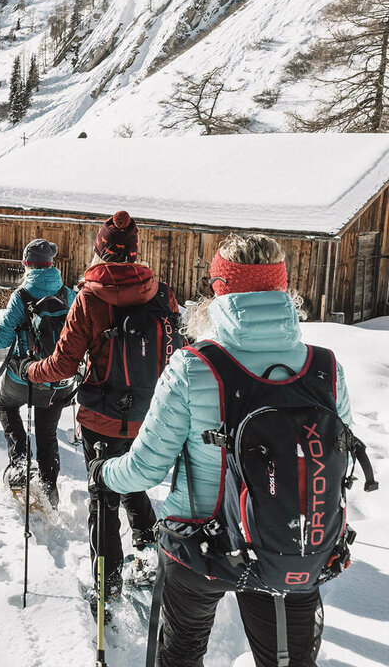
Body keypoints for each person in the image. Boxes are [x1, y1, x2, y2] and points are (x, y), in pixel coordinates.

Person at [88, 233, 354, 666]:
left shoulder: (194, 366)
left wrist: (103, 472)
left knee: (181, 656)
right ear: (283, 288)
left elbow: (145, 469)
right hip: (289, 545)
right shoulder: (325, 369)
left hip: (201, 547)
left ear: (220, 290)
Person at [23, 211, 181, 597]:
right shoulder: (162, 294)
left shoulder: (89, 299)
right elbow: (180, 352)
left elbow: (62, 365)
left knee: (104, 499)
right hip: (151, 417)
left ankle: (106, 587)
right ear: (135, 251)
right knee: (133, 476)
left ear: (100, 251)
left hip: (102, 417)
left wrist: (29, 370)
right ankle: (147, 546)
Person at [0, 239, 76, 509]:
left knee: (6, 404)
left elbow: (1, 339)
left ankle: (19, 462)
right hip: (59, 381)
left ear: (26, 264)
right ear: (52, 264)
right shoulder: (69, 295)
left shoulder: (21, 295)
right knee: (47, 434)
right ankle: (49, 492)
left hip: (26, 376)